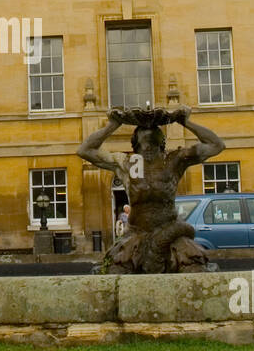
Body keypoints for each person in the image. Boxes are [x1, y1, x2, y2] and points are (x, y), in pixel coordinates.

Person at [78, 105, 225, 273]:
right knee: (115, 275)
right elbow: (85, 150)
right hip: (136, 237)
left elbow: (217, 145)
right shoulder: (126, 163)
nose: (148, 135)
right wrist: (113, 125)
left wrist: (186, 123)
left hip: (171, 235)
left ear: (161, 140)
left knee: (194, 273)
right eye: (143, 133)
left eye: (153, 135)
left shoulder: (175, 160)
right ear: (135, 141)